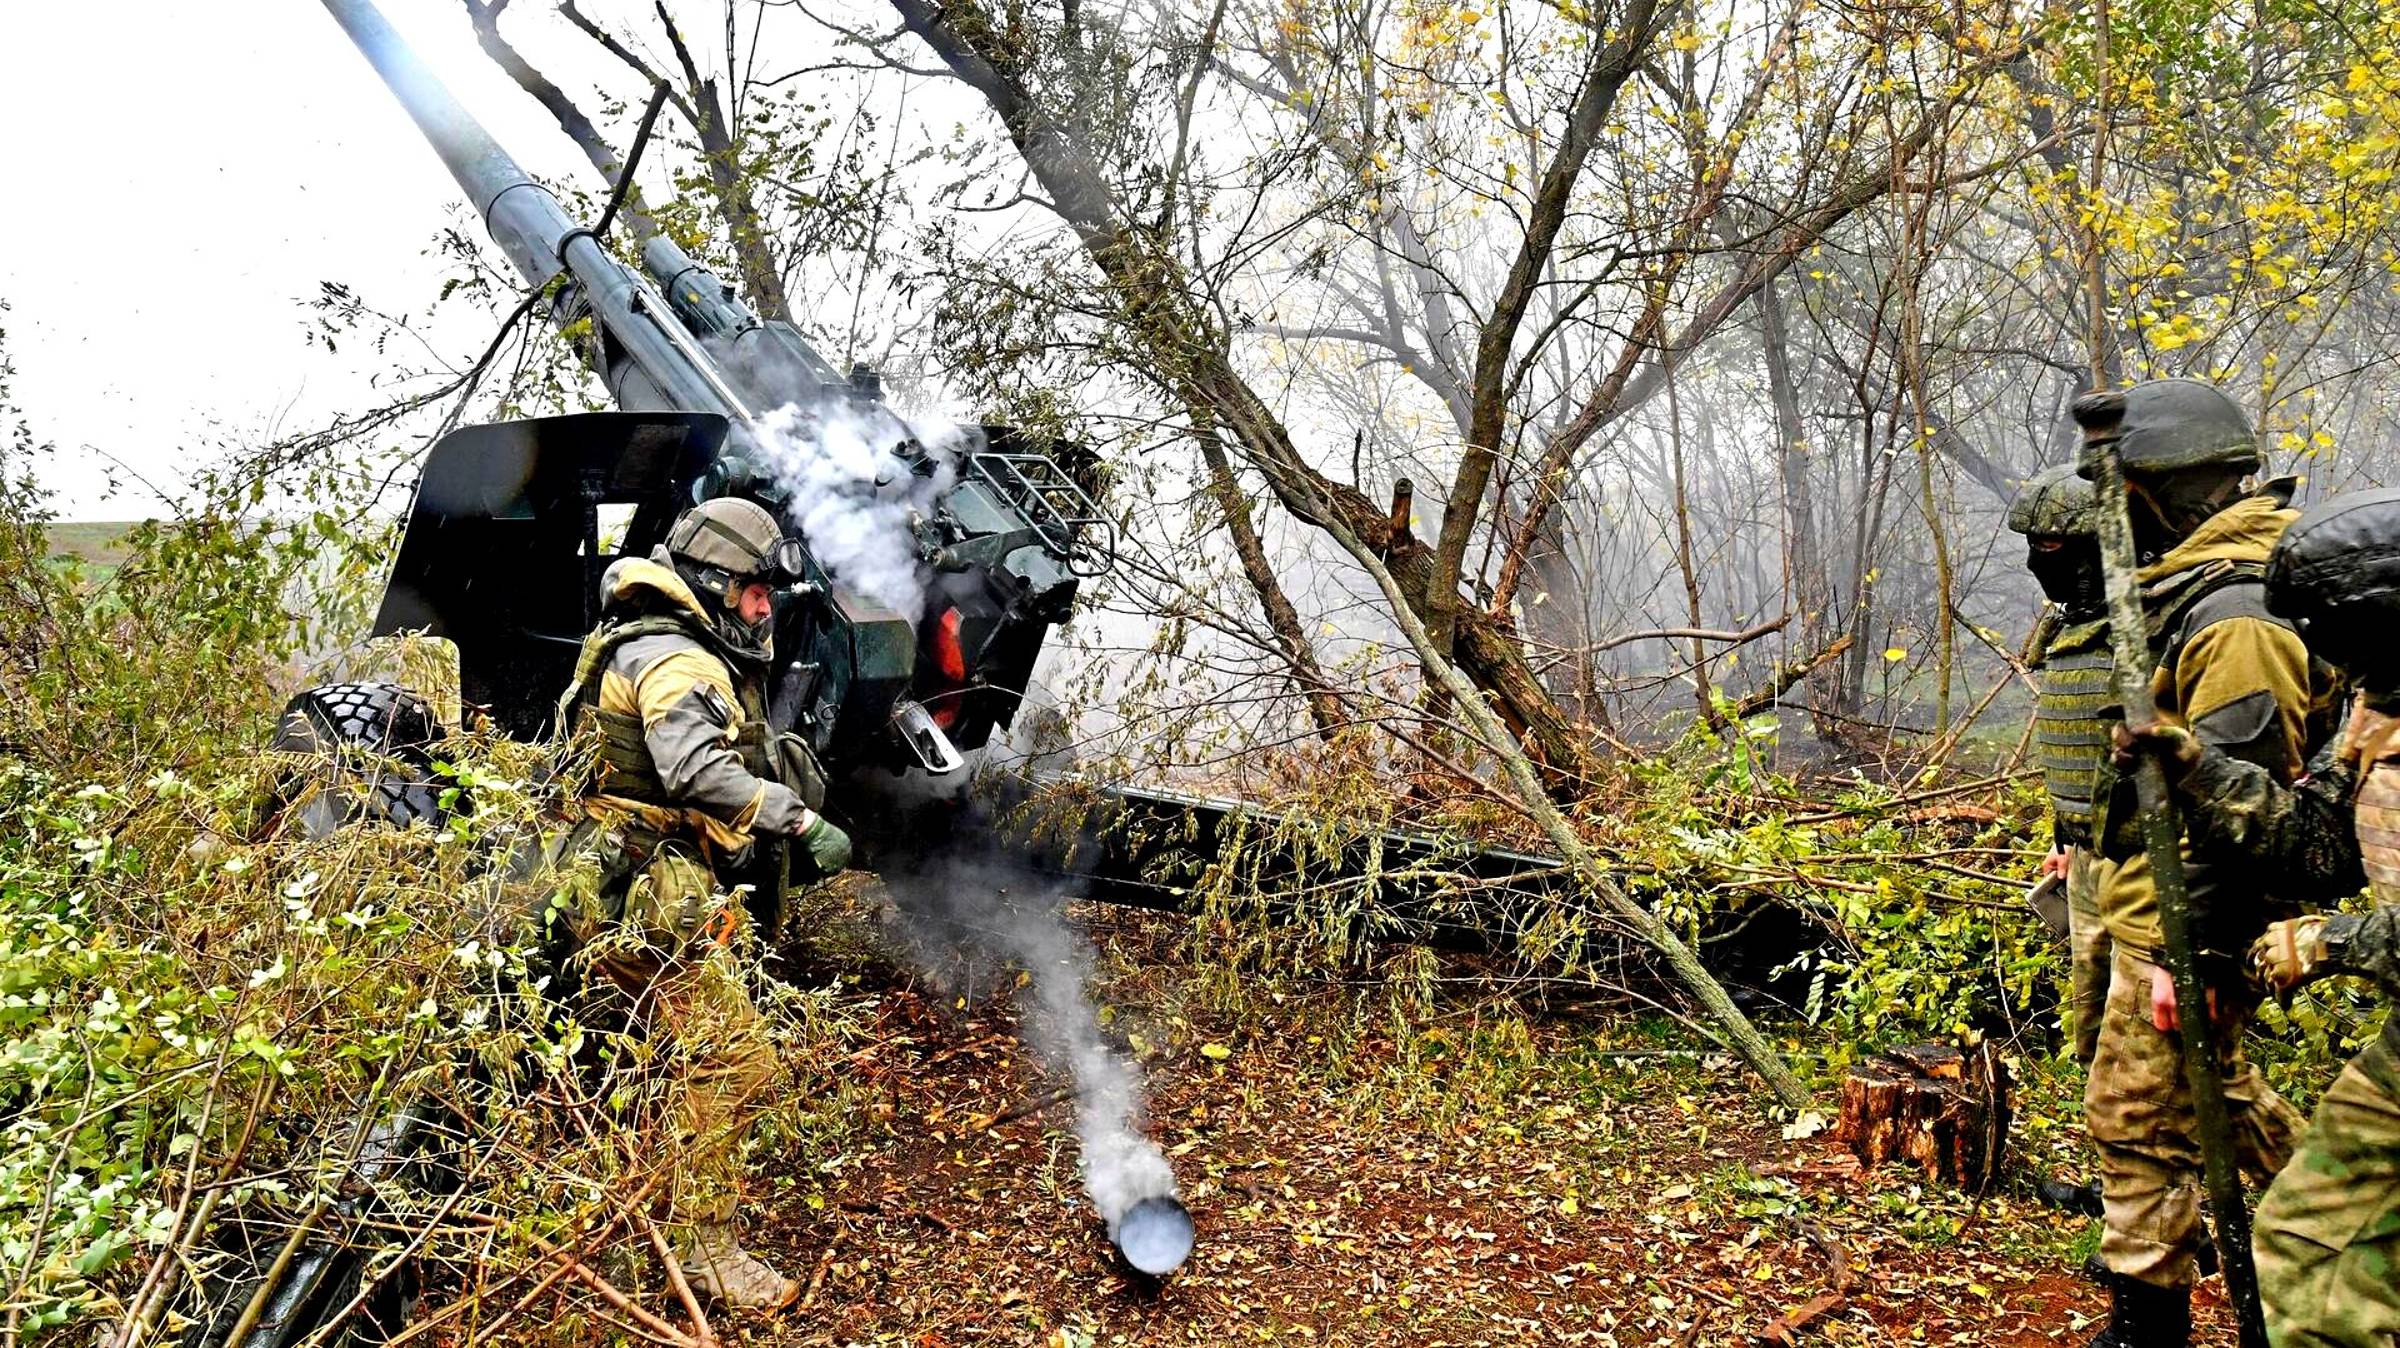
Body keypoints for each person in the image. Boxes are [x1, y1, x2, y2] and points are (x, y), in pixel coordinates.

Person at [548, 495, 853, 1312]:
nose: (765, 606)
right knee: (734, 1058)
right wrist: (798, 818)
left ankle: (627, 1236)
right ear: (716, 583)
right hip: (635, 891)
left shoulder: (651, 640)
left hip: (615, 882)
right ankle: (706, 1248)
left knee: (656, 1062)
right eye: (756, 590)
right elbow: (692, 771)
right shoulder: (679, 661)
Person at [2074, 378, 2325, 1347]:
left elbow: (2247, 812)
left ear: (2166, 498)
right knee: (2177, 1110)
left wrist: (2206, 957)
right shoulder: (2195, 595)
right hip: (2154, 913)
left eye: (2124, 498)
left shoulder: (2237, 617)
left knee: (2143, 1124)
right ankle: (2150, 1318)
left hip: (2187, 928)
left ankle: (2151, 1330)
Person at [2119, 487, 2400, 1346]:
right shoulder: (2377, 708)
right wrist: (2196, 769)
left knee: (2316, 1254)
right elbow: (2314, 841)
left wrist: (2331, 939)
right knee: (2307, 1241)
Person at [2011, 465, 2116, 1070]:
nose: (2036, 561)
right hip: (2087, 854)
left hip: (2146, 867)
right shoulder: (2075, 625)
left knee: (2146, 1064)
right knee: (2096, 1040)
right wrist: (2064, 838)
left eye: (2048, 545)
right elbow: (2079, 739)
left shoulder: (2152, 624)